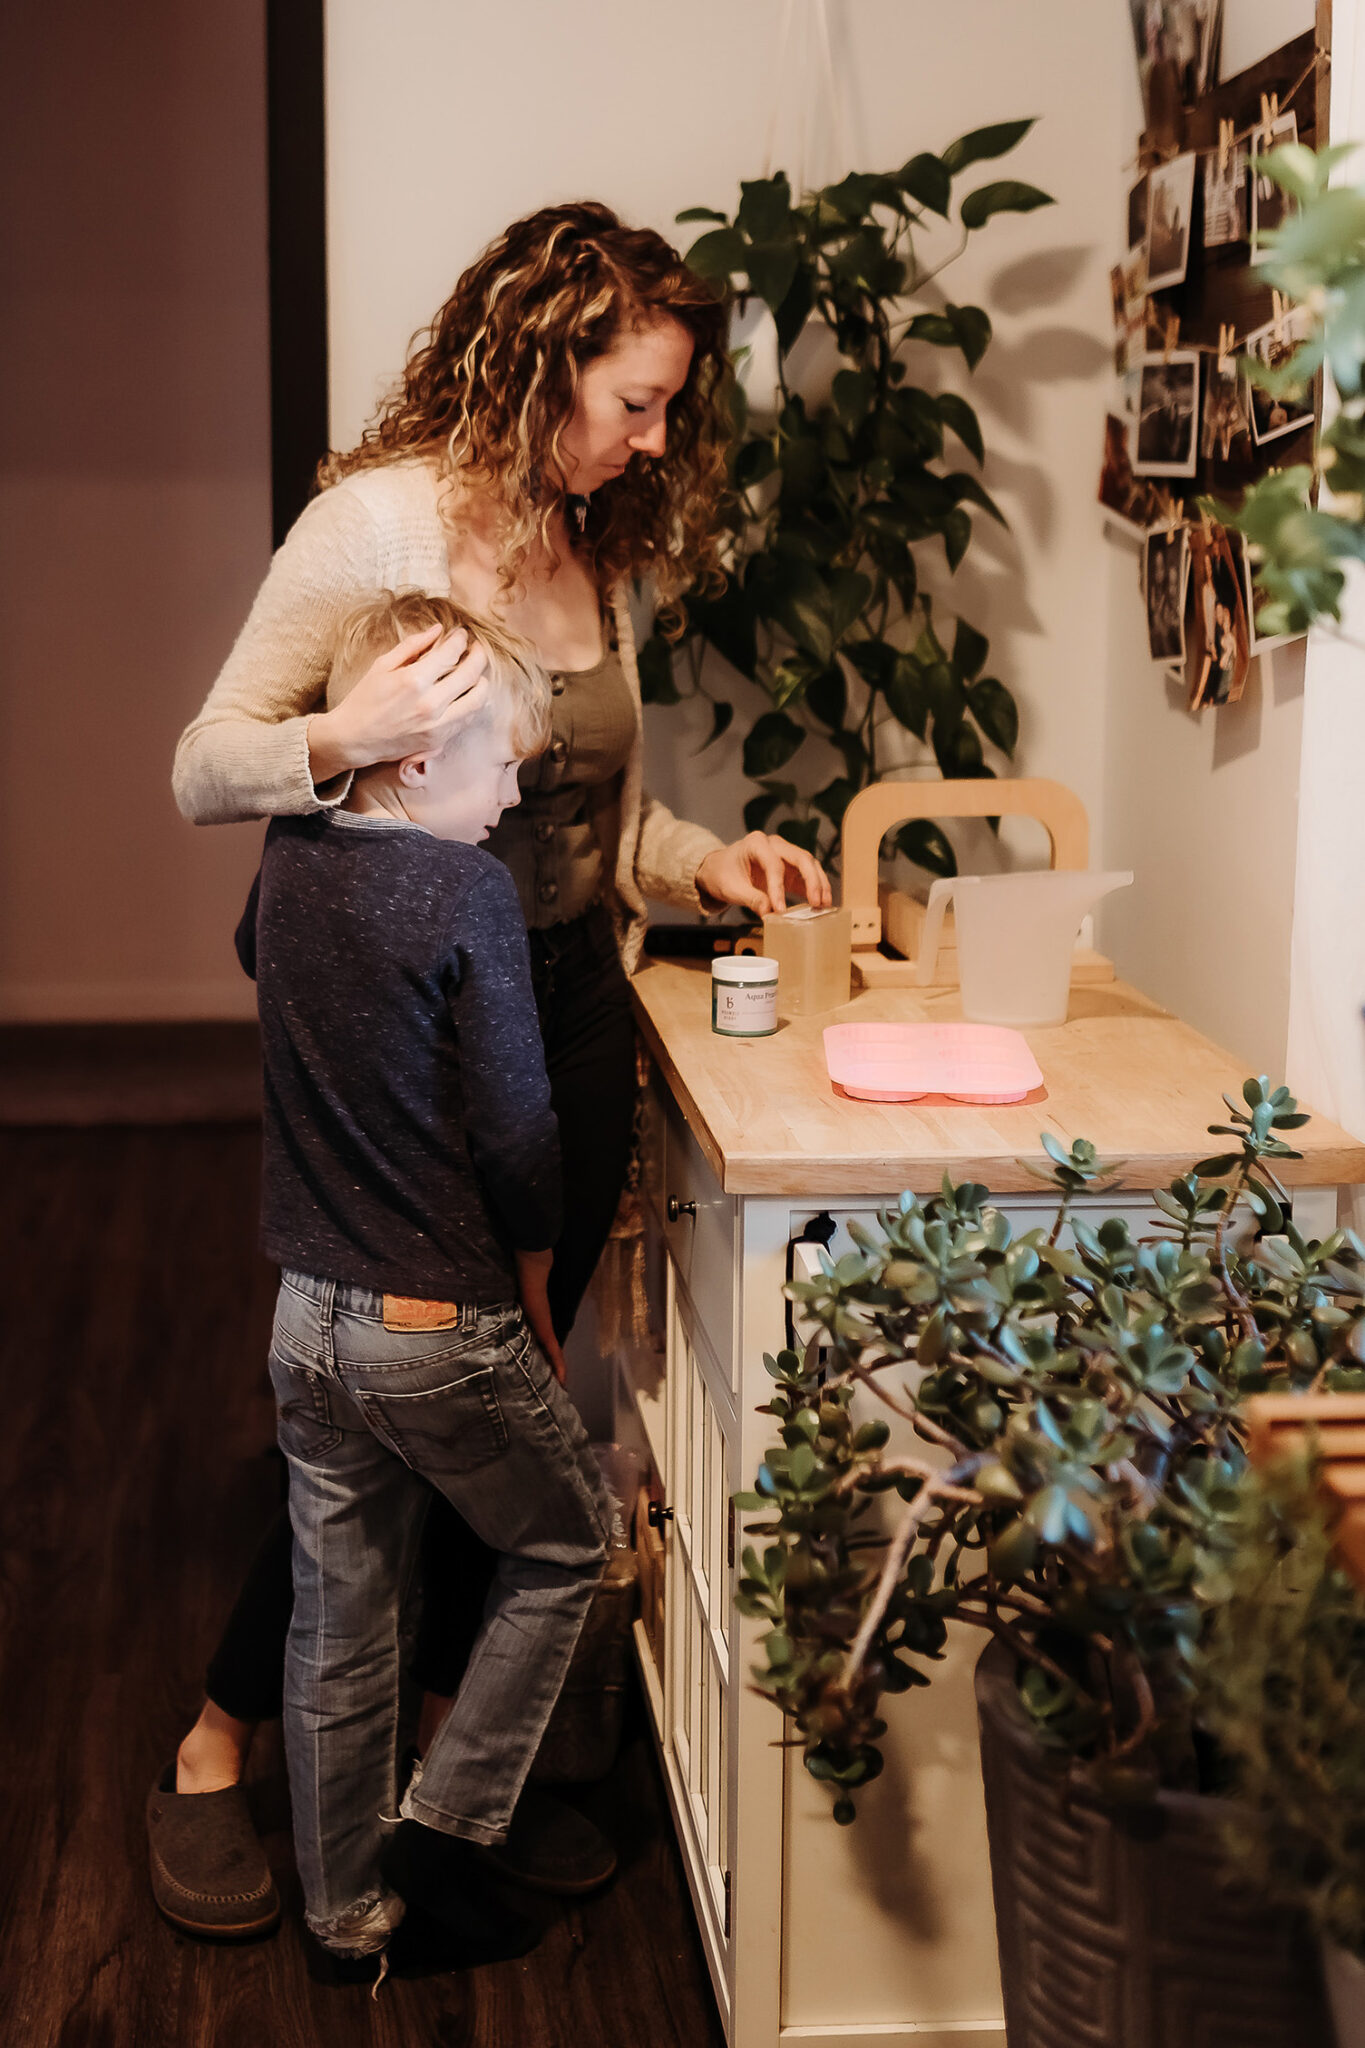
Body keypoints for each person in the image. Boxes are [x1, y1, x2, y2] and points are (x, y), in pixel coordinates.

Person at [152, 200, 831, 1941]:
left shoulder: (584, 537)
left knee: (498, 1412)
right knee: (392, 1409)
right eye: (638, 397)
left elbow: (589, 812)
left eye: (671, 408)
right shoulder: (371, 523)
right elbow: (203, 766)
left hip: (564, 1011)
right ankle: (220, 1742)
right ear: (542, 357)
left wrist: (705, 864)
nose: (655, 439)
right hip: (403, 1015)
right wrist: (345, 737)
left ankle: (452, 1770)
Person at [261, 590, 611, 1976]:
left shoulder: (288, 858)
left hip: (306, 1316)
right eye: (501, 763)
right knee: (567, 1540)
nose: (515, 792)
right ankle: (448, 1826)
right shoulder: (469, 888)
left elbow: (259, 962)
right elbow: (522, 1132)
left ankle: (345, 1920)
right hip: (432, 1322)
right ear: (415, 758)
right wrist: (531, 1268)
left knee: (341, 1617)